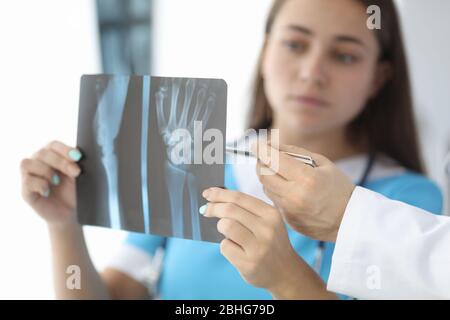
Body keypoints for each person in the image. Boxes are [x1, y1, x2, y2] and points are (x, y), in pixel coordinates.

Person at [20, 0, 442, 299]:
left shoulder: (407, 202)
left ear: (378, 78)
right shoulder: (188, 159)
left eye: (345, 56)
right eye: (294, 44)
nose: (312, 72)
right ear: (264, 52)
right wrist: (64, 225)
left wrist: (284, 278)